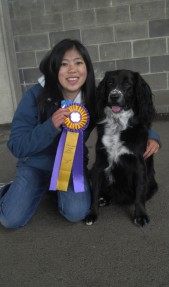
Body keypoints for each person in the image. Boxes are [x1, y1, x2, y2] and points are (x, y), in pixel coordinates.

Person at [0, 39, 160, 229]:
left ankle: (48, 190)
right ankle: (10, 189)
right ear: (54, 68)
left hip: (70, 167)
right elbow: (16, 145)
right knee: (10, 219)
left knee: (76, 212)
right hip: (35, 167)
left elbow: (127, 116)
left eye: (78, 63)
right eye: (64, 64)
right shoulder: (34, 95)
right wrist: (50, 126)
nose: (72, 70)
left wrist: (152, 135)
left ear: (87, 68)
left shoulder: (94, 98)